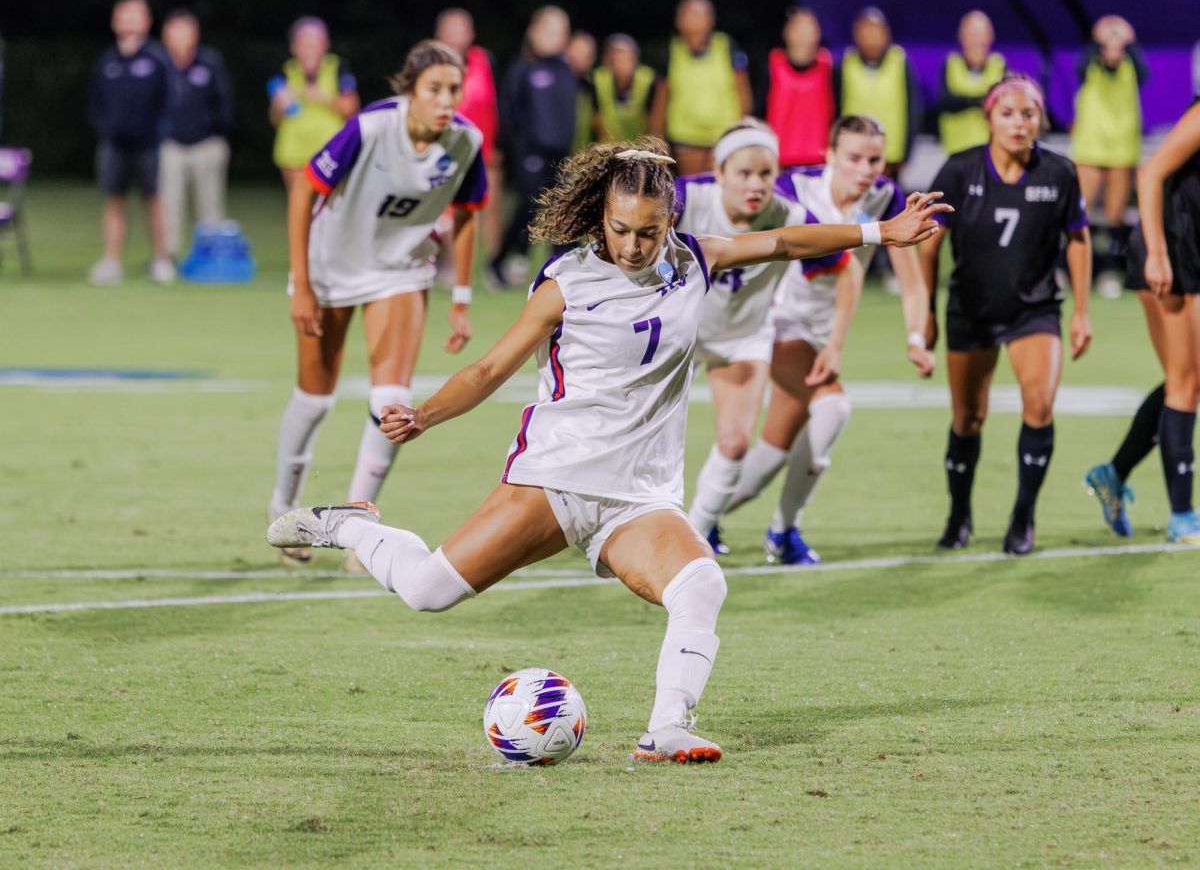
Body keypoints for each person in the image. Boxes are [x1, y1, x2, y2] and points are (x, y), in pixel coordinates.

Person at [267, 136, 949, 762]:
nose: (632, 245)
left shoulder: (694, 259)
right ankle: (352, 522)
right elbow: (488, 371)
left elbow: (782, 242)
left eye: (648, 232)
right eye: (620, 229)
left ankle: (666, 728)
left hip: (640, 498)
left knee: (702, 583)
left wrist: (878, 234)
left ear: (670, 223)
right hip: (557, 477)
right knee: (425, 591)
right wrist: (423, 415)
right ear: (602, 217)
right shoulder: (568, 281)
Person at [267, 40, 487, 568]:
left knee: (392, 402)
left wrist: (460, 299)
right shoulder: (369, 128)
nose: (445, 100)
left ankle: (357, 526)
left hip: (401, 271)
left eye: (453, 90)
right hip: (331, 269)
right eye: (434, 89)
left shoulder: (466, 140)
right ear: (410, 91)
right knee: (315, 399)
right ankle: (283, 505)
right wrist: (301, 283)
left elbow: (466, 213)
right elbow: (304, 192)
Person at [717, 115, 936, 563]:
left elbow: (912, 283)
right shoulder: (794, 189)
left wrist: (916, 337)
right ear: (829, 155)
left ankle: (701, 519)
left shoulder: (886, 197)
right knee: (833, 406)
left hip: (816, 333)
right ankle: (783, 533)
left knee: (773, 453)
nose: (865, 169)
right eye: (853, 157)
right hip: (772, 323)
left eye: (874, 159)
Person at [920, 75, 1092, 555]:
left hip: (1034, 309)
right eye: (1009, 114)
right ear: (989, 118)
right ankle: (959, 517)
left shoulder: (1058, 172)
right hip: (971, 311)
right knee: (967, 418)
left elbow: (1077, 238)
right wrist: (926, 315)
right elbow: (927, 246)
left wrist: (1081, 311)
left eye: (1029, 113)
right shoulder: (958, 170)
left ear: (1040, 118)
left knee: (1038, 406)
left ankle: (1023, 516)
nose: (1020, 123)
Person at [674, 120, 810, 552]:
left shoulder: (790, 214)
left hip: (742, 337)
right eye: (744, 173)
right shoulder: (684, 198)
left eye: (765, 174)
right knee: (639, 433)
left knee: (734, 444)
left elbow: (835, 267)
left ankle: (695, 536)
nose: (756, 184)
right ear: (719, 172)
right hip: (679, 335)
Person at [1084, 100, 1200, 545]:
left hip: (1190, 248)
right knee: (1184, 383)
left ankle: (1112, 474)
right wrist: (1156, 253)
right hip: (1167, 247)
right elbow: (1150, 173)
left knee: (1186, 378)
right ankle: (1184, 517)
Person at [86, 0, 174, 286]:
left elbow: (170, 98)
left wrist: (158, 131)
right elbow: (94, 101)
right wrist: (107, 127)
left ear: (147, 21)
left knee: (154, 201)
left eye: (136, 15)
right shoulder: (106, 61)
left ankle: (161, 260)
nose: (130, 21)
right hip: (114, 144)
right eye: (125, 15)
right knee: (114, 201)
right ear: (115, 21)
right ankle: (112, 261)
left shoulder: (157, 59)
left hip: (149, 144)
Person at [491, 6, 577, 288]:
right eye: (550, 30)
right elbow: (509, 113)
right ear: (534, 32)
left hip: (561, 154)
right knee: (529, 206)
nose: (556, 37)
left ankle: (561, 266)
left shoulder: (566, 69)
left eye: (561, 32)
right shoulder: (524, 69)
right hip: (531, 153)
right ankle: (506, 260)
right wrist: (512, 146)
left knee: (564, 208)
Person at [1071, 15, 1147, 299]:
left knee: (1116, 216)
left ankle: (1109, 271)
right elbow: (1081, 63)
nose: (1113, 46)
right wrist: (1098, 35)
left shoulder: (1132, 68)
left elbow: (1144, 71)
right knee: (1079, 212)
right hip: (1091, 150)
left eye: (1119, 42)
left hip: (1122, 151)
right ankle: (1071, 269)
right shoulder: (1089, 66)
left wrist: (1131, 39)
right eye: (1109, 42)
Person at [158, 9, 234, 260]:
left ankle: (211, 257)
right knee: (169, 204)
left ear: (195, 35)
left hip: (207, 144)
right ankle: (167, 257)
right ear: (166, 36)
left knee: (210, 204)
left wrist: (215, 130)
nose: (179, 39)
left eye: (184, 32)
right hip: (170, 145)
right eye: (174, 33)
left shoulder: (210, 62)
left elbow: (224, 104)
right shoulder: (160, 65)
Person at [648, 0, 752, 176]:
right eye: (687, 14)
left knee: (722, 194)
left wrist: (742, 134)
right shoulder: (671, 52)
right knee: (694, 190)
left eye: (699, 14)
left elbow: (743, 93)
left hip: (723, 138)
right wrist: (655, 145)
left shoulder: (726, 47)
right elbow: (660, 103)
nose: (693, 20)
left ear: (711, 19)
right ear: (678, 21)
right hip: (686, 142)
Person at [435, 8, 502, 256]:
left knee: (491, 207)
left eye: (460, 29)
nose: (455, 36)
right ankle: (450, 267)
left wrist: (497, 144)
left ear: (471, 33)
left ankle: (495, 266)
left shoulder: (484, 61)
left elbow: (497, 104)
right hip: (446, 151)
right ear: (439, 34)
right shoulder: (430, 67)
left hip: (484, 151)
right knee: (450, 211)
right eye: (450, 30)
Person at [268, 17, 359, 195]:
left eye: (314, 44)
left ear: (325, 45)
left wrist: (320, 97)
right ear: (293, 47)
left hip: (331, 153)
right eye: (303, 45)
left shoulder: (338, 68)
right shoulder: (285, 72)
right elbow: (274, 119)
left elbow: (352, 110)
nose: (308, 51)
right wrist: (279, 106)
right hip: (293, 154)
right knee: (300, 209)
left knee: (332, 210)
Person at [836, 8, 921, 179]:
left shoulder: (900, 62)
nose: (871, 38)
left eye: (876, 31)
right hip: (853, 156)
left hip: (890, 157)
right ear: (856, 34)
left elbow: (913, 108)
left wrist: (907, 151)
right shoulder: (846, 64)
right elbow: (835, 107)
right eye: (865, 31)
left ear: (886, 34)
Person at [765, 7, 835, 169]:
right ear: (786, 32)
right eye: (798, 28)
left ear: (818, 34)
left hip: (818, 163)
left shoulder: (829, 68)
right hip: (778, 162)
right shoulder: (772, 65)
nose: (803, 35)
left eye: (809, 29)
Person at [938, 11, 1006, 156]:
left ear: (991, 36)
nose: (976, 40)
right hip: (956, 152)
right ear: (961, 36)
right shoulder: (950, 65)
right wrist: (979, 101)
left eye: (981, 33)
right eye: (971, 34)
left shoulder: (999, 66)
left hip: (992, 154)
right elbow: (945, 102)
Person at [592, 34, 655, 143]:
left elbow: (653, 121)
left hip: (641, 147)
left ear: (635, 60)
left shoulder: (648, 80)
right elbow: (597, 120)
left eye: (625, 59)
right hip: (608, 148)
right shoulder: (598, 80)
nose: (620, 64)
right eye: (616, 59)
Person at [566, 31, 598, 154]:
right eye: (575, 52)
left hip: (582, 158)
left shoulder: (592, 89)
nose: (578, 58)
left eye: (585, 55)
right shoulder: (554, 85)